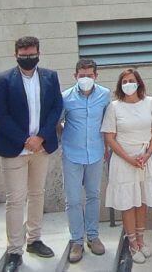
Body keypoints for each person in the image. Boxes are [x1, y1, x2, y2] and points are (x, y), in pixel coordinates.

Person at [0, 36, 63, 271]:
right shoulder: (2, 79)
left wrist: (41, 137)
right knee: (15, 199)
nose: (28, 58)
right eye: (23, 56)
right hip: (15, 148)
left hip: (42, 147)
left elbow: (56, 108)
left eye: (32, 54)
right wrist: (25, 140)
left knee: (37, 194)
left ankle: (34, 239)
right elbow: (1, 115)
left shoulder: (50, 76)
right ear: (16, 55)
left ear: (39, 53)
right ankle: (14, 250)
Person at [102, 68, 152, 264]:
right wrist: (129, 159)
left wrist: (147, 154)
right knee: (128, 202)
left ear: (139, 82)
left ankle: (141, 239)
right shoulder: (114, 107)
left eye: (131, 80)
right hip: (124, 161)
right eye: (124, 81)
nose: (128, 84)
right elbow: (109, 137)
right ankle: (131, 243)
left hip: (146, 159)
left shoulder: (150, 103)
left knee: (142, 200)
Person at [59, 58, 111, 264]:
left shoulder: (105, 95)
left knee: (93, 195)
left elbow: (108, 123)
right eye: (82, 76)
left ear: (96, 76)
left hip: (96, 154)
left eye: (90, 76)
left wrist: (107, 148)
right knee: (72, 200)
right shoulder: (65, 98)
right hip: (72, 154)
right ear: (75, 76)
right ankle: (76, 241)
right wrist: (66, 138)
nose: (86, 79)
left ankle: (93, 236)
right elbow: (57, 122)